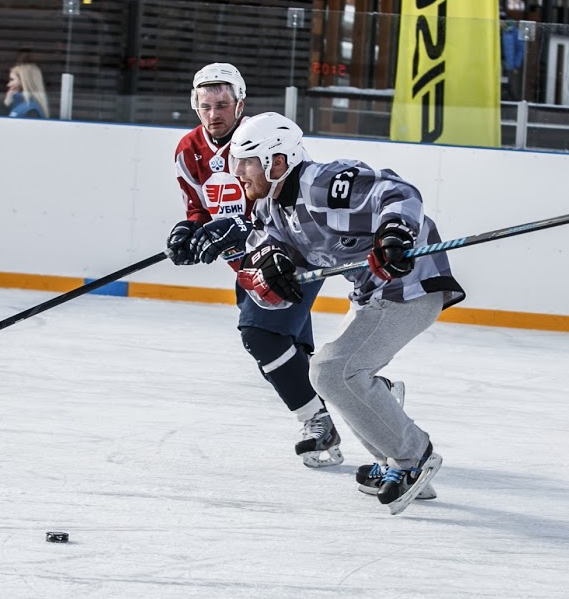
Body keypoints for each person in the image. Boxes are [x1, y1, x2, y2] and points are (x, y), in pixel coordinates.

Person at [230, 112, 465, 514]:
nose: (239, 172)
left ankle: (413, 457)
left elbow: (398, 191)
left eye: (247, 161)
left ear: (278, 162)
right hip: (373, 293)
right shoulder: (272, 207)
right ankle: (393, 458)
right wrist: (273, 262)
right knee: (332, 371)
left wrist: (395, 233)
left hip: (412, 285)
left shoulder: (322, 184)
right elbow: (271, 245)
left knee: (332, 371)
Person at [164, 63, 344, 468]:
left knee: (262, 339)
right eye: (206, 105)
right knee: (288, 357)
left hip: (290, 255)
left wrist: (237, 227)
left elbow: (287, 205)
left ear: (240, 104)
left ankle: (317, 423)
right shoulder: (187, 151)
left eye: (223, 104)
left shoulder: (266, 139)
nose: (214, 114)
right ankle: (369, 392)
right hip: (247, 264)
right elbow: (199, 208)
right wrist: (189, 233)